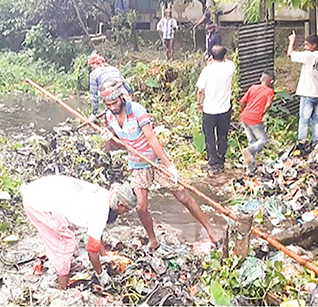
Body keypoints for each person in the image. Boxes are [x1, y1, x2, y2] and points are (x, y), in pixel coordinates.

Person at [100, 81, 221, 249]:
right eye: (109, 104)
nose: (113, 107)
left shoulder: (136, 110)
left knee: (183, 197)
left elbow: (152, 139)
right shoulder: (110, 116)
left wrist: (169, 165)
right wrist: (108, 139)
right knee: (141, 207)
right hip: (137, 163)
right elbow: (116, 145)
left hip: (154, 159)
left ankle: (211, 231)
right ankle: (153, 240)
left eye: (115, 102)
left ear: (121, 97)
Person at [21, 175, 137, 289]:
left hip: (39, 190)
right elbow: (91, 252)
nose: (125, 213)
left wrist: (104, 254)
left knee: (65, 240)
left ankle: (63, 272)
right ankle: (62, 287)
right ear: (120, 205)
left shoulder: (104, 195)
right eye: (126, 210)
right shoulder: (100, 212)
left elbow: (97, 230)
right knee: (66, 245)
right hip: (37, 204)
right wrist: (101, 275)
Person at [196, 45, 236, 175]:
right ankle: (221, 160)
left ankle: (213, 162)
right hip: (225, 109)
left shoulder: (207, 70)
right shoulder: (230, 67)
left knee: (210, 136)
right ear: (224, 56)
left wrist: (199, 103)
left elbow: (200, 90)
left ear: (211, 57)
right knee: (223, 135)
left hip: (209, 110)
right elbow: (229, 61)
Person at [287, 31, 318, 142]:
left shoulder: (308, 56)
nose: (305, 47)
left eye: (306, 44)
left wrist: (292, 41)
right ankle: (316, 142)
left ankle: (302, 144)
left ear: (314, 45)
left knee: (304, 121)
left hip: (307, 93)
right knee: (316, 120)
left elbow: (290, 54)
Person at [240, 71, 275, 175]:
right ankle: (249, 150)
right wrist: (263, 111)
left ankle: (250, 169)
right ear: (272, 81)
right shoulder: (270, 91)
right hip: (255, 119)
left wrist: (242, 112)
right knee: (263, 140)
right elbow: (268, 105)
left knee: (252, 141)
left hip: (245, 116)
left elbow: (242, 102)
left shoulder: (252, 87)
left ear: (261, 79)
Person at [87, 53, 132, 122]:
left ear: (94, 64)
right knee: (131, 116)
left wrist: (94, 113)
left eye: (92, 66)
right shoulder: (114, 69)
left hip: (110, 95)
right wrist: (129, 94)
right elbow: (126, 85)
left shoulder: (93, 74)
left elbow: (94, 95)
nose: (92, 68)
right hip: (123, 94)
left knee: (112, 119)